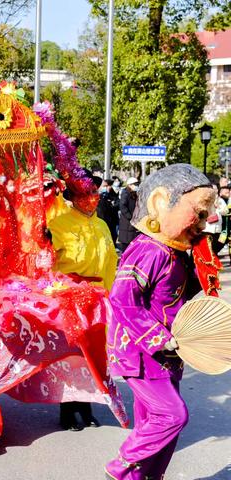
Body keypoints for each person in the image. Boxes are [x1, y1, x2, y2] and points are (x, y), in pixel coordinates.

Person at [105, 164, 216, 480]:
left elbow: (176, 293)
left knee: (155, 426)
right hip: (143, 354)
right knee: (172, 415)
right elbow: (122, 298)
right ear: (159, 202)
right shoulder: (148, 250)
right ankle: (123, 464)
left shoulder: (173, 252)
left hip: (168, 354)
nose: (203, 221)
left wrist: (204, 265)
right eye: (197, 211)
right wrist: (156, 337)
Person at [48, 170, 118, 431]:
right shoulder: (58, 224)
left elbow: (110, 263)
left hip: (99, 296)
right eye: (84, 193)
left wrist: (111, 295)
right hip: (72, 296)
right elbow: (48, 265)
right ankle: (68, 410)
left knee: (96, 355)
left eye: (93, 192)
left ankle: (87, 407)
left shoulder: (101, 225)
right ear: (72, 196)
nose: (91, 198)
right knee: (73, 356)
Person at [118, 177, 139, 252]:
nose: (137, 186)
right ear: (129, 185)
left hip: (132, 223)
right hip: (127, 223)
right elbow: (123, 206)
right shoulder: (125, 193)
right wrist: (130, 217)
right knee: (126, 246)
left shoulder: (134, 193)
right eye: (135, 184)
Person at [97, 178, 120, 245]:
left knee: (113, 234)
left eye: (107, 186)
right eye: (104, 186)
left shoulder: (111, 194)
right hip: (102, 219)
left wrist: (113, 205)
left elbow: (117, 203)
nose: (107, 187)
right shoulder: (97, 196)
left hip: (111, 219)